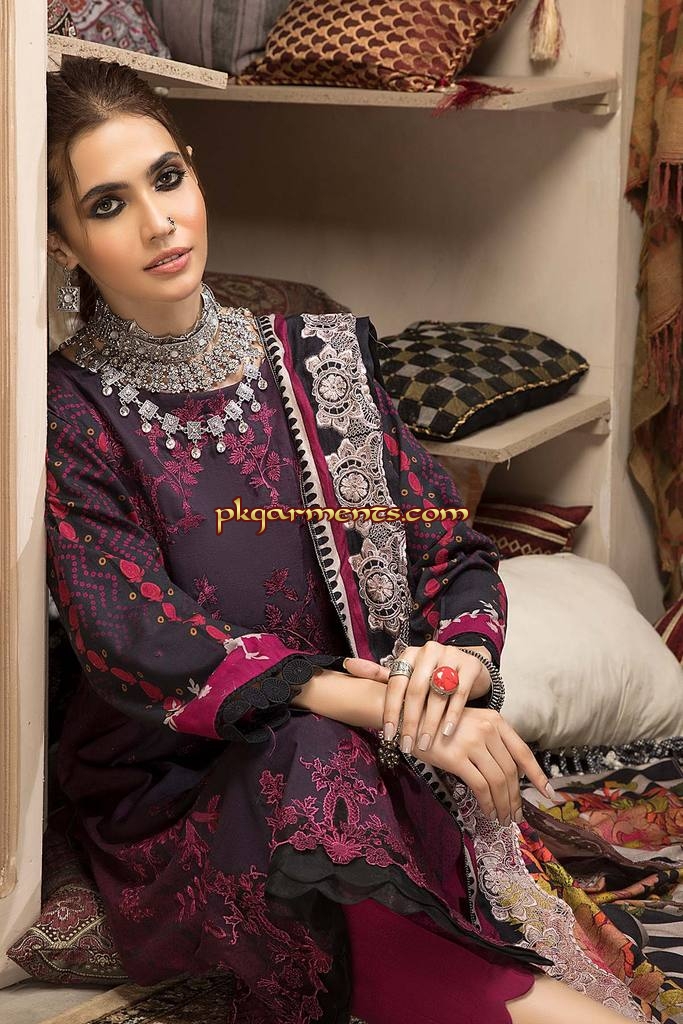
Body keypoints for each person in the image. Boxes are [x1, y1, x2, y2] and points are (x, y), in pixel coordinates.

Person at [44, 57, 649, 1024]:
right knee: (312, 746)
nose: (159, 223)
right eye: (107, 205)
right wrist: (369, 707)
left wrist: (446, 676)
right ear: (61, 239)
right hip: (184, 784)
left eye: (167, 178)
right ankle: (500, 1003)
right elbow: (130, 629)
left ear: (194, 170)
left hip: (370, 740)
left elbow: (447, 551)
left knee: (361, 750)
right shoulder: (67, 411)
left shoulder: (319, 359)